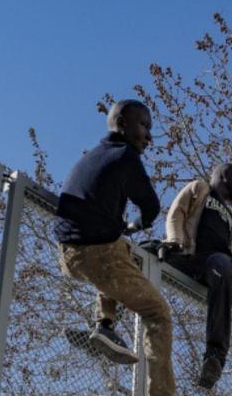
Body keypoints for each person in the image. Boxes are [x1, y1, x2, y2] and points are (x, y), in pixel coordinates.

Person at [54, 99, 175, 396]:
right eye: (144, 126)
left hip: (69, 252)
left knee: (120, 250)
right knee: (159, 313)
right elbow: (151, 206)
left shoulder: (93, 155)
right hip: (97, 254)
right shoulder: (125, 157)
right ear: (121, 124)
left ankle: (104, 326)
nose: (149, 136)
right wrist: (137, 224)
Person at [158, 163, 232, 389]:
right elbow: (177, 212)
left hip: (213, 267)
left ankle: (215, 356)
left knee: (225, 266)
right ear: (226, 176)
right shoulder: (199, 188)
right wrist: (174, 241)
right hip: (185, 255)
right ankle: (108, 319)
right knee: (141, 250)